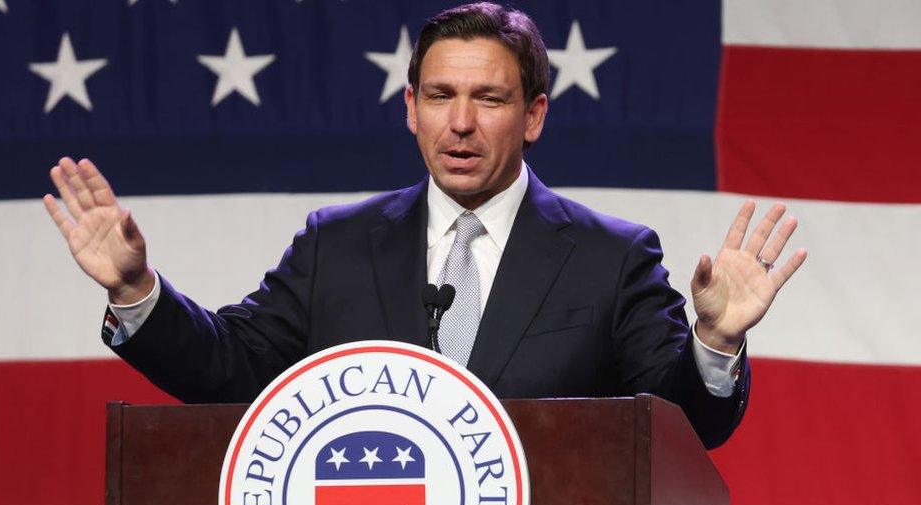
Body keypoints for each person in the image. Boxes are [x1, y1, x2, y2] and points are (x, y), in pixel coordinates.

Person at [42, 3, 805, 449]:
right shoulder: (334, 244)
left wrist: (715, 342)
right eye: (439, 95)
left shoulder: (612, 257)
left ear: (535, 114)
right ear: (410, 109)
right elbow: (230, 370)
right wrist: (138, 289)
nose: (461, 124)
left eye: (491, 99)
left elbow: (677, 431)